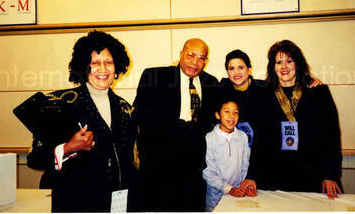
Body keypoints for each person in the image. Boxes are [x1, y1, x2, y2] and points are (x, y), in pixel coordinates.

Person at [14, 30, 137, 212]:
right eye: (94, 63)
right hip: (76, 203)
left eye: (108, 62)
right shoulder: (58, 102)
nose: (102, 69)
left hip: (118, 204)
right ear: (83, 66)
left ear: (116, 66)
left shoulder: (125, 108)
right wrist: (68, 148)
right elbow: (35, 159)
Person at [245, 40, 343, 199]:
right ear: (273, 66)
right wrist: (252, 175)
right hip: (272, 177)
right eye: (279, 62)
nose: (284, 67)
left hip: (312, 176)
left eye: (289, 61)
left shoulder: (318, 93)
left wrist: (330, 175)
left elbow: (331, 137)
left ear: (298, 63)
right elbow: (259, 140)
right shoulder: (262, 94)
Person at [132, 38, 219, 211]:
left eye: (201, 58)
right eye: (190, 55)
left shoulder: (212, 82)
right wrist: (185, 129)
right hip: (160, 165)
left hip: (194, 166)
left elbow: (213, 120)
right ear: (181, 54)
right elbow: (142, 115)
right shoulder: (154, 76)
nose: (195, 62)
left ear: (206, 61)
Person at [203, 97, 256, 212]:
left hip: (238, 196)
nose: (232, 116)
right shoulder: (209, 139)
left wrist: (244, 185)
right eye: (227, 112)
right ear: (218, 115)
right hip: (215, 199)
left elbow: (244, 165)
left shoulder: (243, 137)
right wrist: (228, 189)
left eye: (235, 113)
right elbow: (208, 172)